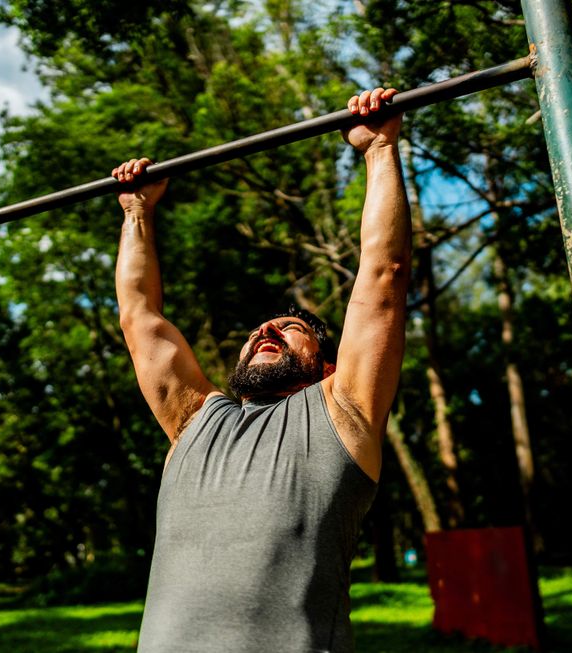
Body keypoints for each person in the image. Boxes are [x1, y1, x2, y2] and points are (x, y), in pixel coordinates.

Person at [113, 87, 410, 653]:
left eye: (288, 327)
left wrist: (378, 150)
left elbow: (383, 278)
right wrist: (136, 213)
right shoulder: (193, 421)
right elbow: (139, 316)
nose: (265, 331)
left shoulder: (342, 410)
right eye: (257, 332)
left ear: (325, 363)